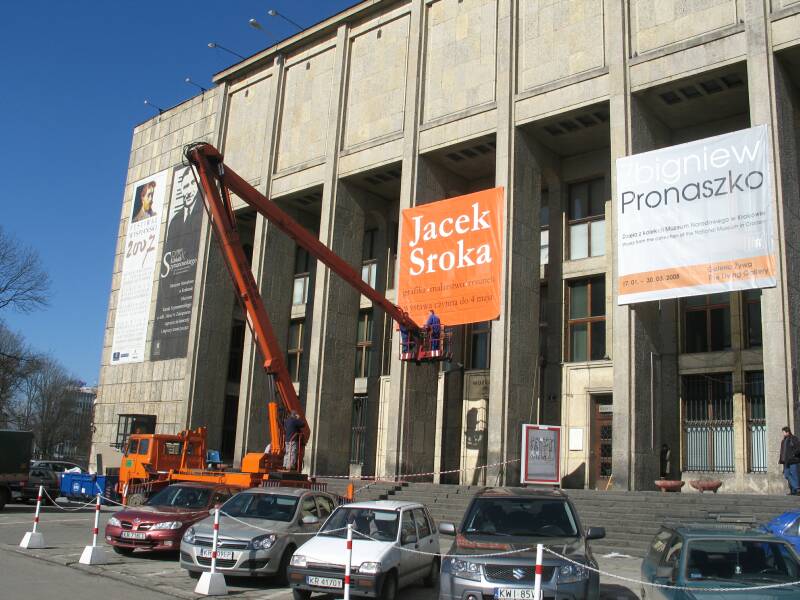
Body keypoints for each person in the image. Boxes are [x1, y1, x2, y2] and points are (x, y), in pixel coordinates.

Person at [779, 426, 800, 495]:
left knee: (794, 475)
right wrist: (781, 459)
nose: (783, 434)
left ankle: (794, 491)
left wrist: (793, 455)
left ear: (787, 432)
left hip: (793, 460)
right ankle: (796, 489)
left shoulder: (794, 438)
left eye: (783, 432)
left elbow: (798, 448)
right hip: (786, 461)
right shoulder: (783, 441)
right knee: (786, 475)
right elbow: (782, 451)